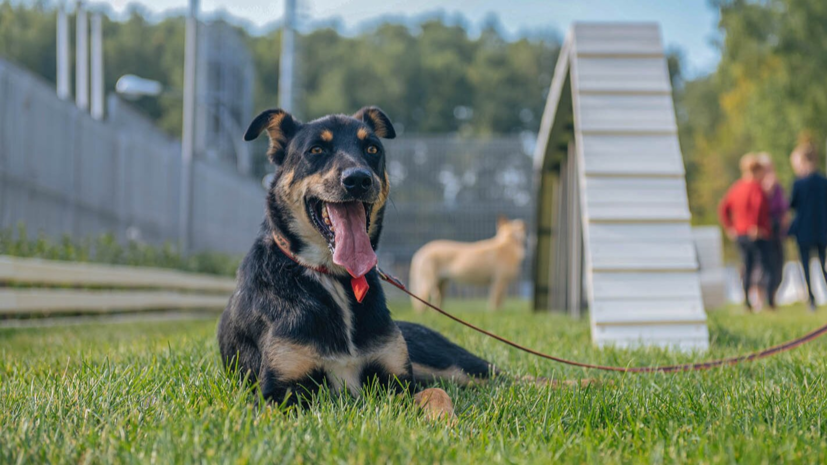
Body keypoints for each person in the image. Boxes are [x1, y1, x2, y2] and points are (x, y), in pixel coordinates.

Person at [719, 153, 774, 311]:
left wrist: (730, 227)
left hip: (740, 234)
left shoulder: (736, 187)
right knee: (765, 265)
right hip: (756, 234)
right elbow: (758, 206)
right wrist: (756, 225)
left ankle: (746, 302)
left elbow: (724, 208)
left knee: (747, 266)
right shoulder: (757, 187)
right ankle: (768, 301)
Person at [788, 137, 827, 311]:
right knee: (823, 262)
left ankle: (811, 300)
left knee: (806, 265)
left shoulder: (798, 183)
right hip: (821, 229)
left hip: (804, 230)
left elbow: (792, 205)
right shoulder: (823, 181)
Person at [756, 153, 787, 303]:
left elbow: (783, 208)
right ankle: (762, 300)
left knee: (778, 266)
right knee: (762, 267)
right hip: (762, 231)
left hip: (776, 231)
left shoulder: (777, 187)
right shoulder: (756, 187)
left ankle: (772, 297)